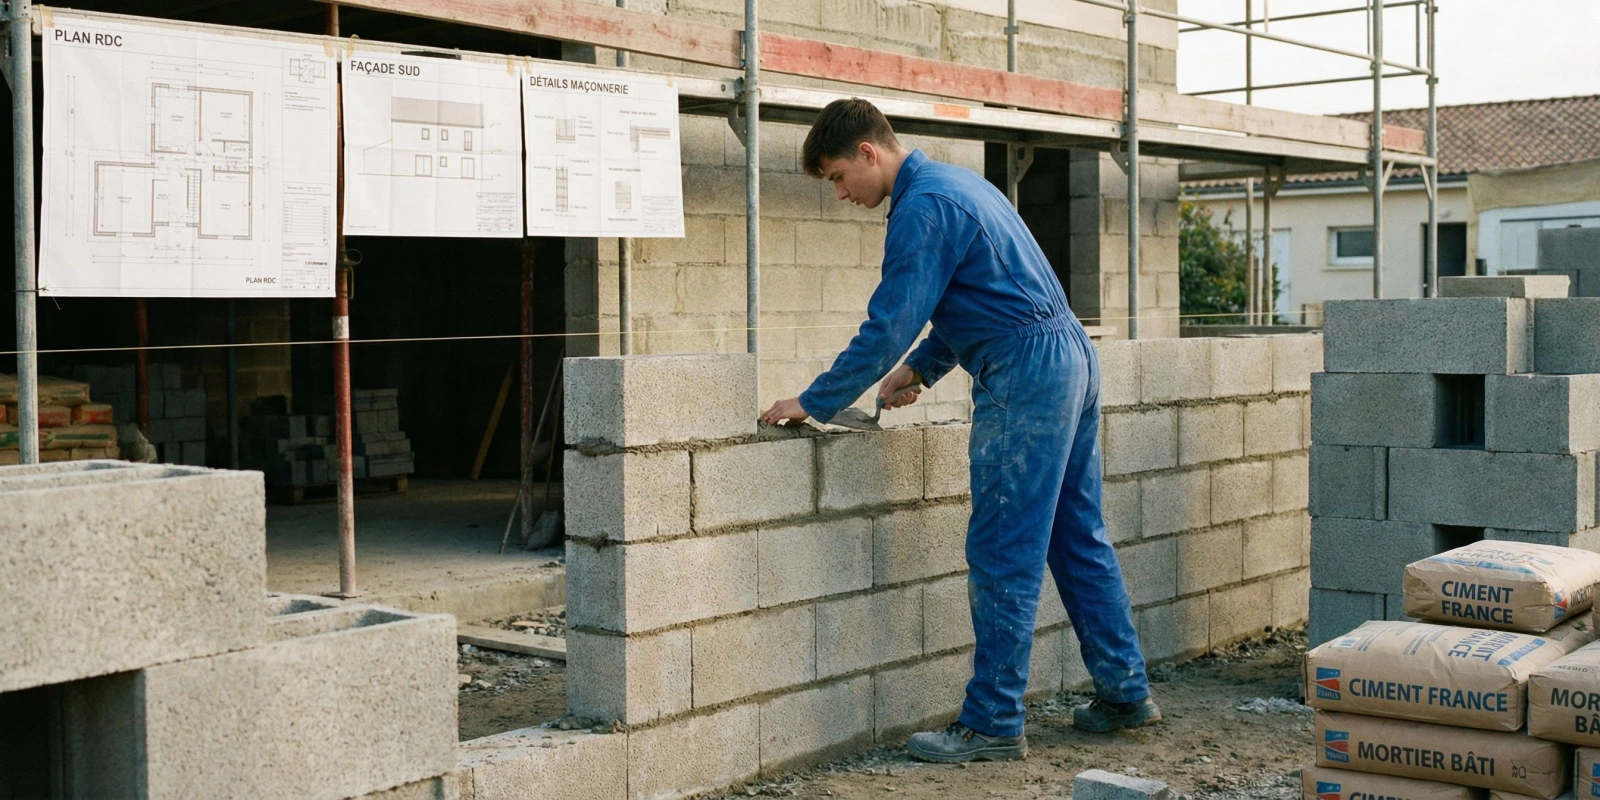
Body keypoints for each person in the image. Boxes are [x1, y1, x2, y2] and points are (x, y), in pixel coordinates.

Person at [760, 98, 1160, 763]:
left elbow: (888, 322)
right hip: (1068, 359)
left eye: (836, 177)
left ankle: (993, 721)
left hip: (1028, 376)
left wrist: (815, 399)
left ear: (868, 153)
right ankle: (1125, 692)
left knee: (1003, 547)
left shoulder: (921, 210)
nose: (840, 194)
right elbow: (977, 301)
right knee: (1075, 535)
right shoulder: (957, 185)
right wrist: (920, 367)